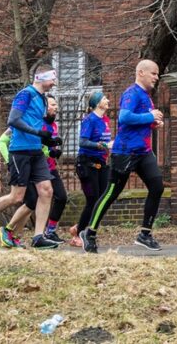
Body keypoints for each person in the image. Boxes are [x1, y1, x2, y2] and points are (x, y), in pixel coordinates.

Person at [0, 66, 62, 249]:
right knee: (16, 197)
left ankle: (38, 237)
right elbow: (13, 120)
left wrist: (48, 140)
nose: (54, 82)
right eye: (52, 79)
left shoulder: (43, 99)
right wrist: (37, 132)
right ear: (40, 77)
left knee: (46, 191)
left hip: (36, 151)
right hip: (20, 151)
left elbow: (35, 123)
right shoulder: (25, 94)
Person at [81, 60, 166, 253]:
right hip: (125, 153)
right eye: (153, 73)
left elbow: (138, 122)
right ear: (141, 73)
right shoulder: (131, 93)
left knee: (157, 187)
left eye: (157, 74)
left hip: (143, 152)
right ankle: (90, 233)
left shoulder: (146, 96)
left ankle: (144, 234)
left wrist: (153, 124)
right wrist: (149, 117)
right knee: (111, 194)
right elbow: (124, 117)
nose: (156, 77)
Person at [0, 95, 68, 247]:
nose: (56, 107)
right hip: (28, 166)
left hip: (46, 168)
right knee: (30, 201)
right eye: (52, 104)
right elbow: (2, 141)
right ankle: (6, 230)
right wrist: (9, 161)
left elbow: (41, 147)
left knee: (50, 198)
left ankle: (20, 235)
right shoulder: (29, 121)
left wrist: (52, 152)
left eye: (56, 104)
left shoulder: (53, 125)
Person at [74, 91, 111, 246]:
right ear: (96, 103)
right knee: (92, 199)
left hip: (101, 163)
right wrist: (102, 146)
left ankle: (79, 228)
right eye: (104, 98)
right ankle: (78, 235)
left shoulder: (105, 120)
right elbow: (82, 142)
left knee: (102, 198)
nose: (108, 100)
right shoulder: (90, 120)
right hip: (87, 163)